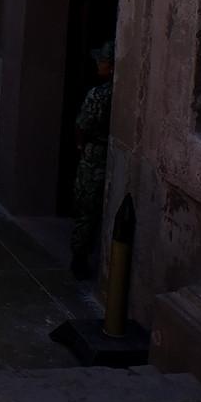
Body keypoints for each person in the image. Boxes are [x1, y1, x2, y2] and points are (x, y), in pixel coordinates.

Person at [69, 42, 115, 278]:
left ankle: (80, 257)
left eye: (103, 61)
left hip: (95, 155)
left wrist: (80, 146)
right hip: (107, 153)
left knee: (86, 208)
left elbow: (81, 125)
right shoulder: (118, 93)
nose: (98, 64)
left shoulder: (99, 96)